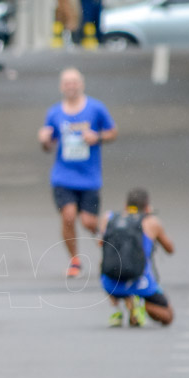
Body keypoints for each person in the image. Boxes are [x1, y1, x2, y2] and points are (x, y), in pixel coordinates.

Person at [38, 67, 117, 278]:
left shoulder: (96, 108)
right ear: (61, 87)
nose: (71, 86)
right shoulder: (54, 112)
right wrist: (44, 139)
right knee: (69, 216)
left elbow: (113, 132)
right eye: (67, 83)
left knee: (89, 222)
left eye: (74, 82)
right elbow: (49, 143)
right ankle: (75, 260)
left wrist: (97, 137)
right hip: (63, 176)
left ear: (81, 84)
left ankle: (105, 237)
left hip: (89, 177)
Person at [100, 188, 175, 328]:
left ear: (125, 205)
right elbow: (170, 249)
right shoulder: (151, 222)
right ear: (147, 206)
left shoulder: (109, 218)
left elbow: (101, 244)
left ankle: (120, 305)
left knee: (106, 259)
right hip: (140, 282)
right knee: (168, 316)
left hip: (110, 282)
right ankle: (139, 303)